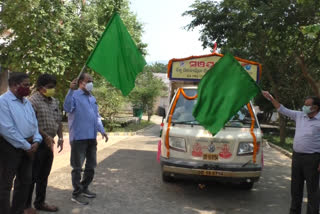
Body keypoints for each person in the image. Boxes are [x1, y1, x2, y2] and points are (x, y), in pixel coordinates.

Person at [262, 91, 320, 214]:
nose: (304, 107)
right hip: (297, 158)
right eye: (304, 104)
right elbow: (282, 109)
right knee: (295, 189)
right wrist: (271, 98)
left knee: (312, 191)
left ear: (315, 107)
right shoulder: (300, 115)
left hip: (313, 159)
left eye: (307, 105)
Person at [0, 72, 42, 214]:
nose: (28, 87)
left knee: (25, 182)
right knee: (5, 184)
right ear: (13, 85)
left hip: (30, 146)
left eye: (29, 85)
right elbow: (7, 129)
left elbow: (34, 124)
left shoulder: (27, 102)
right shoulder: (3, 102)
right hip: (10, 148)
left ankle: (17, 211)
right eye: (25, 85)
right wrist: (26, 146)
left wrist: (36, 140)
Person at [64, 73, 108, 205]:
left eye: (92, 81)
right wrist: (70, 91)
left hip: (91, 137)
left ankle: (84, 187)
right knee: (77, 167)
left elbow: (96, 116)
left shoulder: (92, 98)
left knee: (91, 166)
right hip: (79, 138)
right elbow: (66, 108)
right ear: (80, 82)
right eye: (88, 81)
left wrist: (102, 130)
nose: (91, 83)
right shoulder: (74, 95)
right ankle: (76, 194)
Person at [25, 74, 63, 212]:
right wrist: (45, 136)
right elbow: (32, 124)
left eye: (54, 87)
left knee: (44, 176)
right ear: (41, 88)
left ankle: (40, 203)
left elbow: (58, 121)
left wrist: (61, 137)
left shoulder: (54, 101)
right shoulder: (32, 101)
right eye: (50, 87)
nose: (53, 89)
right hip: (37, 143)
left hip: (49, 143)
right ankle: (27, 206)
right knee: (32, 176)